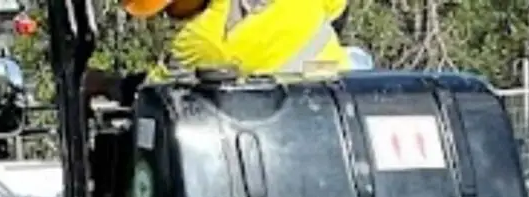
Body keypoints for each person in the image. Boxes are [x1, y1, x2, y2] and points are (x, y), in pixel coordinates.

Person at [87, 0, 352, 103]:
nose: (171, 18)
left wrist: (105, 83)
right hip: (342, 96)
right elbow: (337, 8)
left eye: (171, 8)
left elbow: (151, 95)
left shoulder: (203, 38)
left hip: (285, 129)